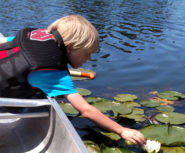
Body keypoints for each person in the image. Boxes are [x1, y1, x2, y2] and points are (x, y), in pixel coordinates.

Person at [0, 15, 146, 145]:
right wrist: (121, 130)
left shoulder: (34, 36)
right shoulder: (56, 74)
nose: (89, 58)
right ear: (70, 48)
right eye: (86, 53)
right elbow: (86, 110)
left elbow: (4, 42)